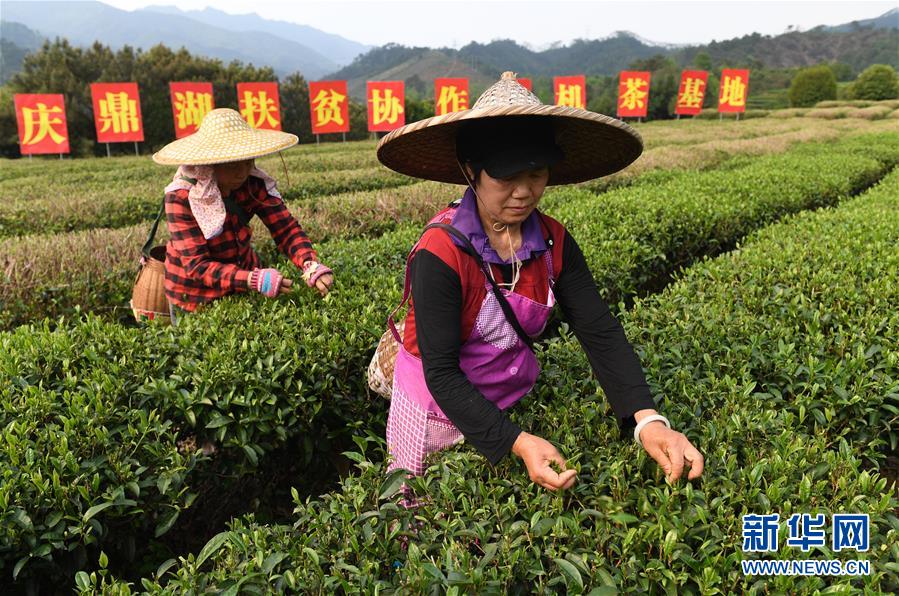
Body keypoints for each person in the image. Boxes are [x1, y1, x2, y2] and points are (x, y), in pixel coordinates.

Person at [376, 72, 704, 497]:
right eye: (506, 177)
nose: (524, 192)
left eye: (536, 173)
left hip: (507, 394)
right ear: (471, 171)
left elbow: (599, 330)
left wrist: (649, 421)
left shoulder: (552, 241)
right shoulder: (440, 252)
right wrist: (517, 441)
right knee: (422, 506)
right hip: (436, 407)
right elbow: (441, 372)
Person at [152, 108, 333, 323]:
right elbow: (197, 266)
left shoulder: (252, 184)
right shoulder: (182, 197)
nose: (243, 171)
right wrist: (253, 279)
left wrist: (310, 264)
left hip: (243, 279)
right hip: (194, 295)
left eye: (248, 161)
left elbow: (285, 228)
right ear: (211, 162)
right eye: (234, 164)